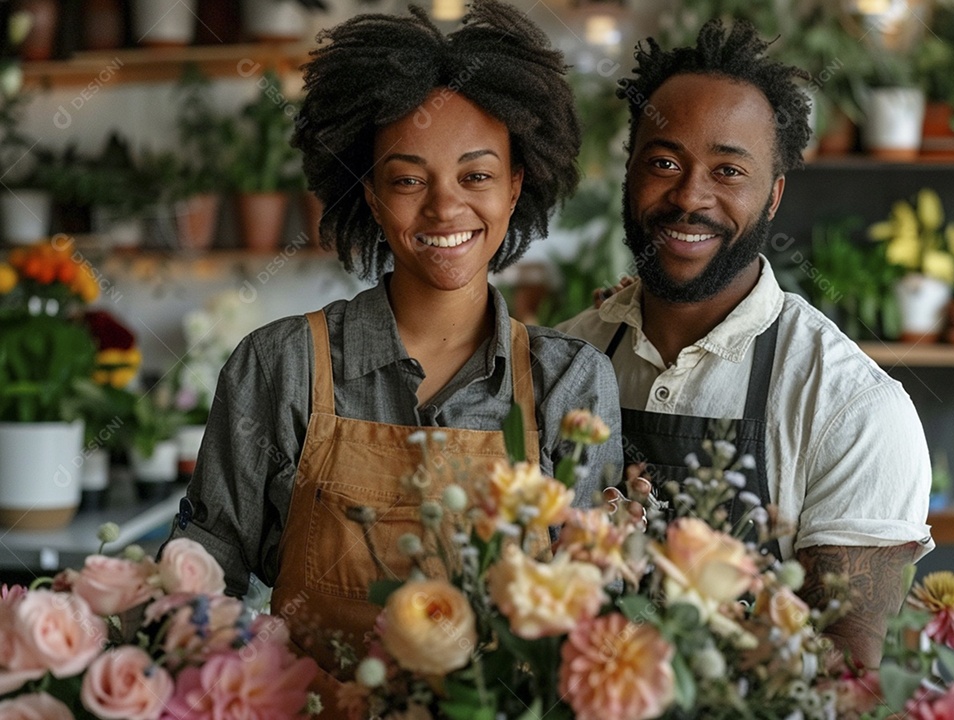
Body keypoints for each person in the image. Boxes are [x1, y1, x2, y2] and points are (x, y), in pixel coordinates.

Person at [165, 1, 621, 712]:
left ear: (515, 186)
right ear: (372, 196)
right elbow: (199, 586)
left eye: (476, 176)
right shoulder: (279, 366)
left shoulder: (570, 383)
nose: (445, 208)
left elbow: (587, 622)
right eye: (409, 180)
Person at [558, 19, 933, 668]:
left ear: (773, 197)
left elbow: (846, 683)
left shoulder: (851, 409)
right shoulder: (561, 362)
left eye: (728, 170)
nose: (689, 196)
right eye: (664, 162)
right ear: (628, 175)